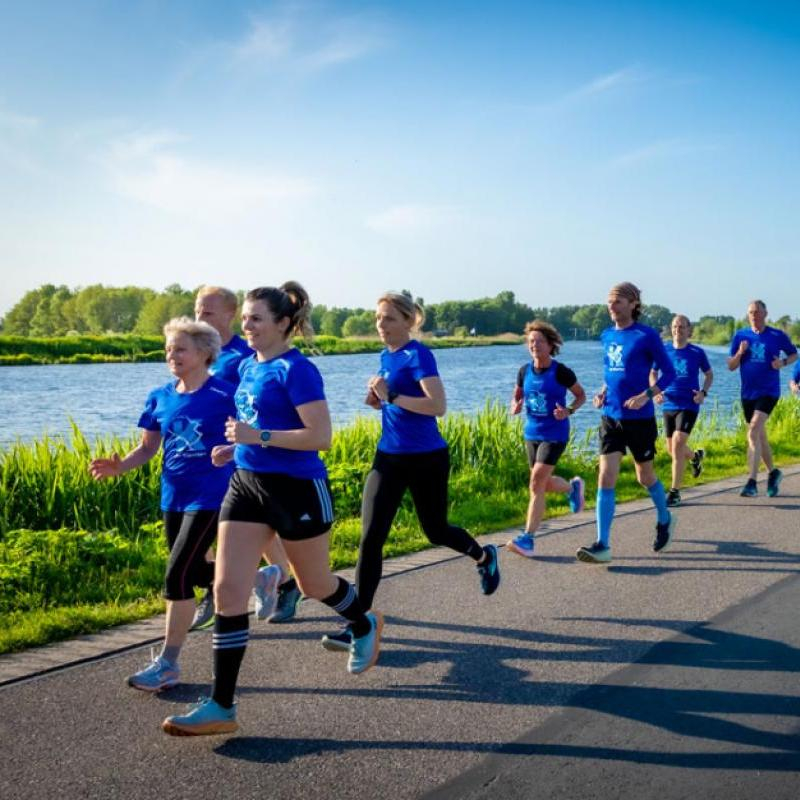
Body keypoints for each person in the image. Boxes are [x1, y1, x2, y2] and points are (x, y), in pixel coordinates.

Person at [162, 283, 380, 737]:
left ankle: (363, 621)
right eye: (244, 318)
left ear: (283, 323)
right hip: (245, 485)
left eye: (256, 319)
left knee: (313, 583)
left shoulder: (297, 370)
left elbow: (320, 436)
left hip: (297, 489)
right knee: (227, 589)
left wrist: (255, 438)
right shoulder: (243, 366)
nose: (246, 326)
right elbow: (250, 424)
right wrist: (230, 446)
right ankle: (222, 705)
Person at [320, 292, 500, 653]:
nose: (380, 326)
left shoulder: (420, 354)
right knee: (370, 539)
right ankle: (359, 622)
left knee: (435, 530)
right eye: (377, 318)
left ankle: (484, 557)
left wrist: (392, 398)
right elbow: (392, 401)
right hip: (388, 457)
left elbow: (438, 406)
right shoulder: (385, 356)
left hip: (427, 458)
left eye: (388, 319)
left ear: (408, 320)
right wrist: (376, 400)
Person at [89, 318, 236, 691]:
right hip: (174, 494)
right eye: (169, 349)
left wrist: (234, 449)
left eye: (181, 348)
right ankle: (261, 576)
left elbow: (249, 436)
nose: (172, 355)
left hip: (211, 493)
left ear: (204, 353)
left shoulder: (225, 393)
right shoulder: (160, 396)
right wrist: (121, 466)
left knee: (177, 576)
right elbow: (149, 447)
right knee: (192, 570)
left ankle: (168, 663)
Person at [192, 286, 300, 629]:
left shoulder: (244, 356)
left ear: (229, 315)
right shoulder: (198, 351)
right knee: (201, 522)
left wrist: (248, 443)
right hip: (203, 450)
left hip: (240, 452)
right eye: (197, 311)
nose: (200, 319)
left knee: (246, 526)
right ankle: (266, 582)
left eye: (208, 313)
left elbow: (256, 406)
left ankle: (281, 582)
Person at [576, 282, 677, 564]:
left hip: (640, 419)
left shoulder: (646, 336)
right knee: (605, 476)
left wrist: (647, 395)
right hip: (611, 415)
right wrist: (603, 391)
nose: (612, 305)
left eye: (618, 300)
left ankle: (665, 518)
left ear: (633, 303)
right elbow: (612, 373)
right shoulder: (607, 335)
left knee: (644, 476)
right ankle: (602, 544)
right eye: (609, 301)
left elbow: (668, 374)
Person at [507, 320, 586, 557]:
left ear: (550, 345)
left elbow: (581, 396)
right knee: (542, 482)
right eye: (531, 341)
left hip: (555, 433)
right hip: (531, 433)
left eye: (539, 341)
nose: (534, 345)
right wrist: (515, 405)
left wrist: (568, 411)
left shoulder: (561, 371)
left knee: (535, 483)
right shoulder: (524, 371)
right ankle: (573, 488)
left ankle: (528, 539)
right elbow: (517, 394)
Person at [727, 300, 797, 497]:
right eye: (750, 312)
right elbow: (731, 366)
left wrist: (782, 362)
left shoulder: (776, 335)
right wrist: (740, 352)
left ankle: (751, 482)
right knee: (760, 436)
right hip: (748, 393)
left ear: (765, 313)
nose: (754, 316)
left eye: (757, 312)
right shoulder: (740, 335)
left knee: (753, 431)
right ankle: (773, 473)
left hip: (769, 391)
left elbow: (794, 354)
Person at [650, 315, 713, 507]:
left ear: (688, 330)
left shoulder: (697, 352)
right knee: (671, 449)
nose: (678, 330)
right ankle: (695, 458)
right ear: (672, 329)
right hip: (668, 403)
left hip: (689, 403)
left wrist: (703, 392)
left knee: (678, 443)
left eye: (682, 327)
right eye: (675, 326)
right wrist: (655, 391)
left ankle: (675, 492)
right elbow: (653, 373)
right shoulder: (663, 350)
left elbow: (709, 375)